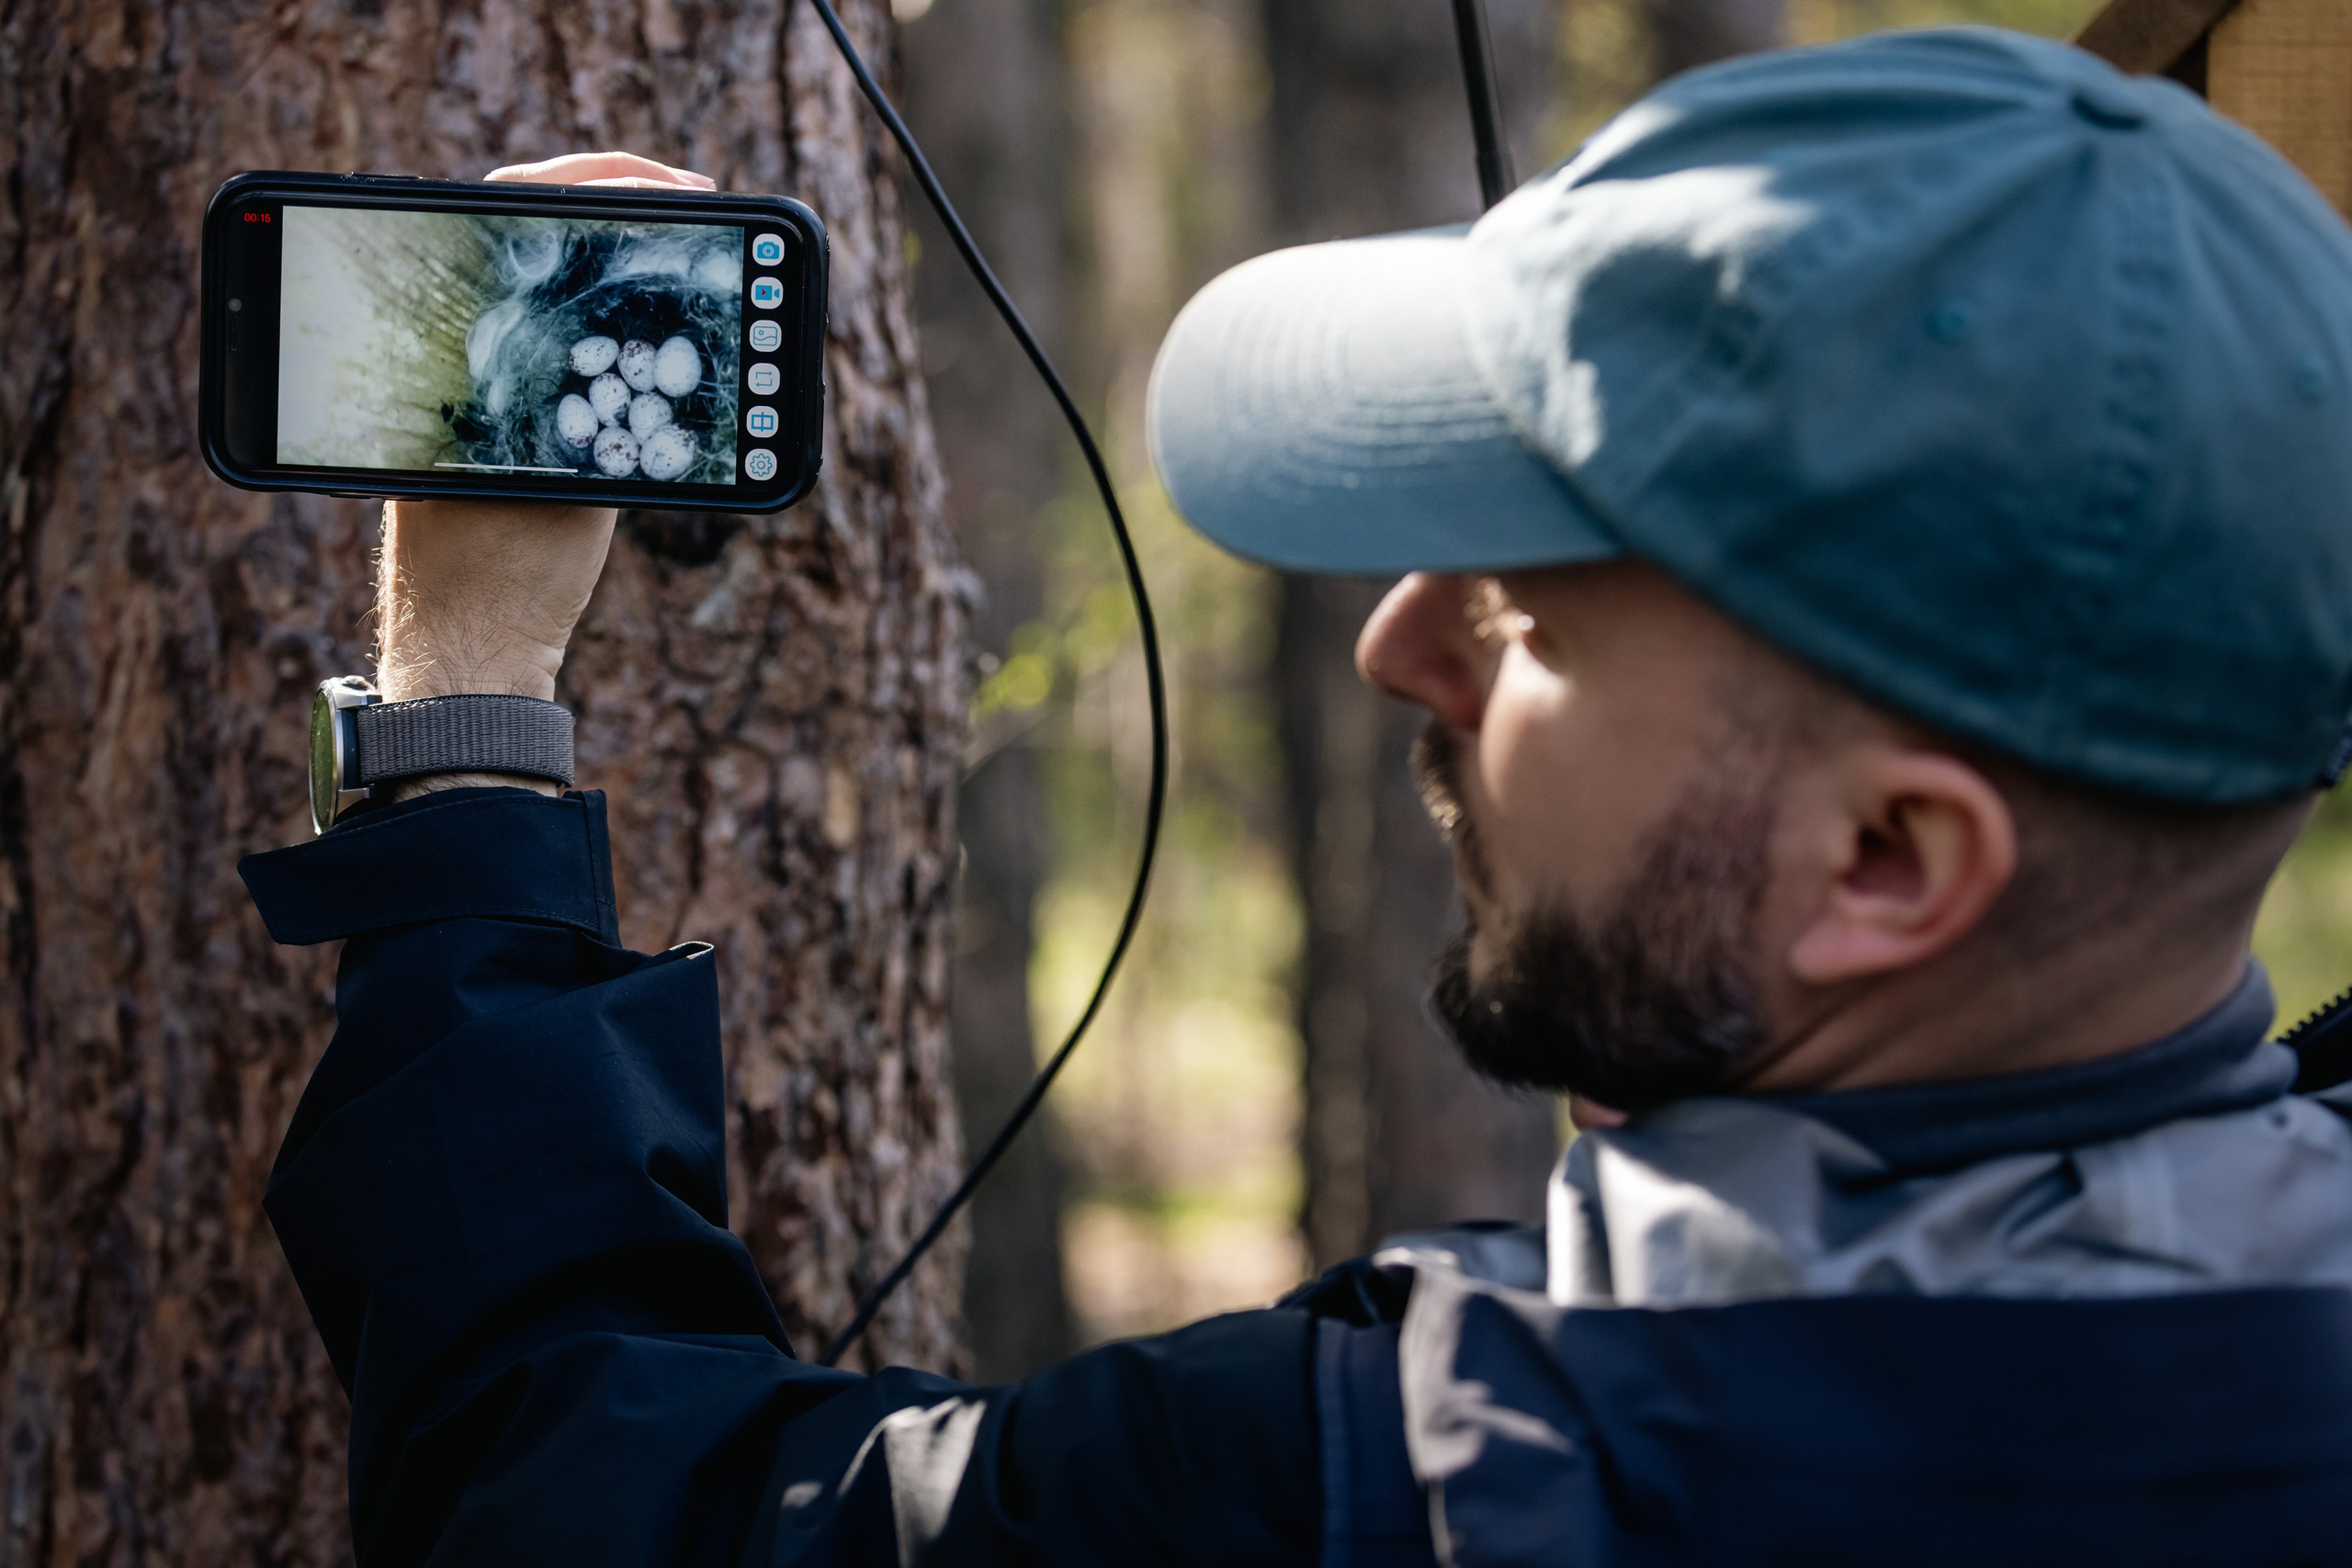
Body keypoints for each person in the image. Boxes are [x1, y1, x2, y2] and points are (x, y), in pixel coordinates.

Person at [241, 27, 2352, 1568]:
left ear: (1883, 861)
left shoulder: (1434, 1480)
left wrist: (462, 718)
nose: (1398, 642)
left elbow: (593, 1503)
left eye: (1528, 606)